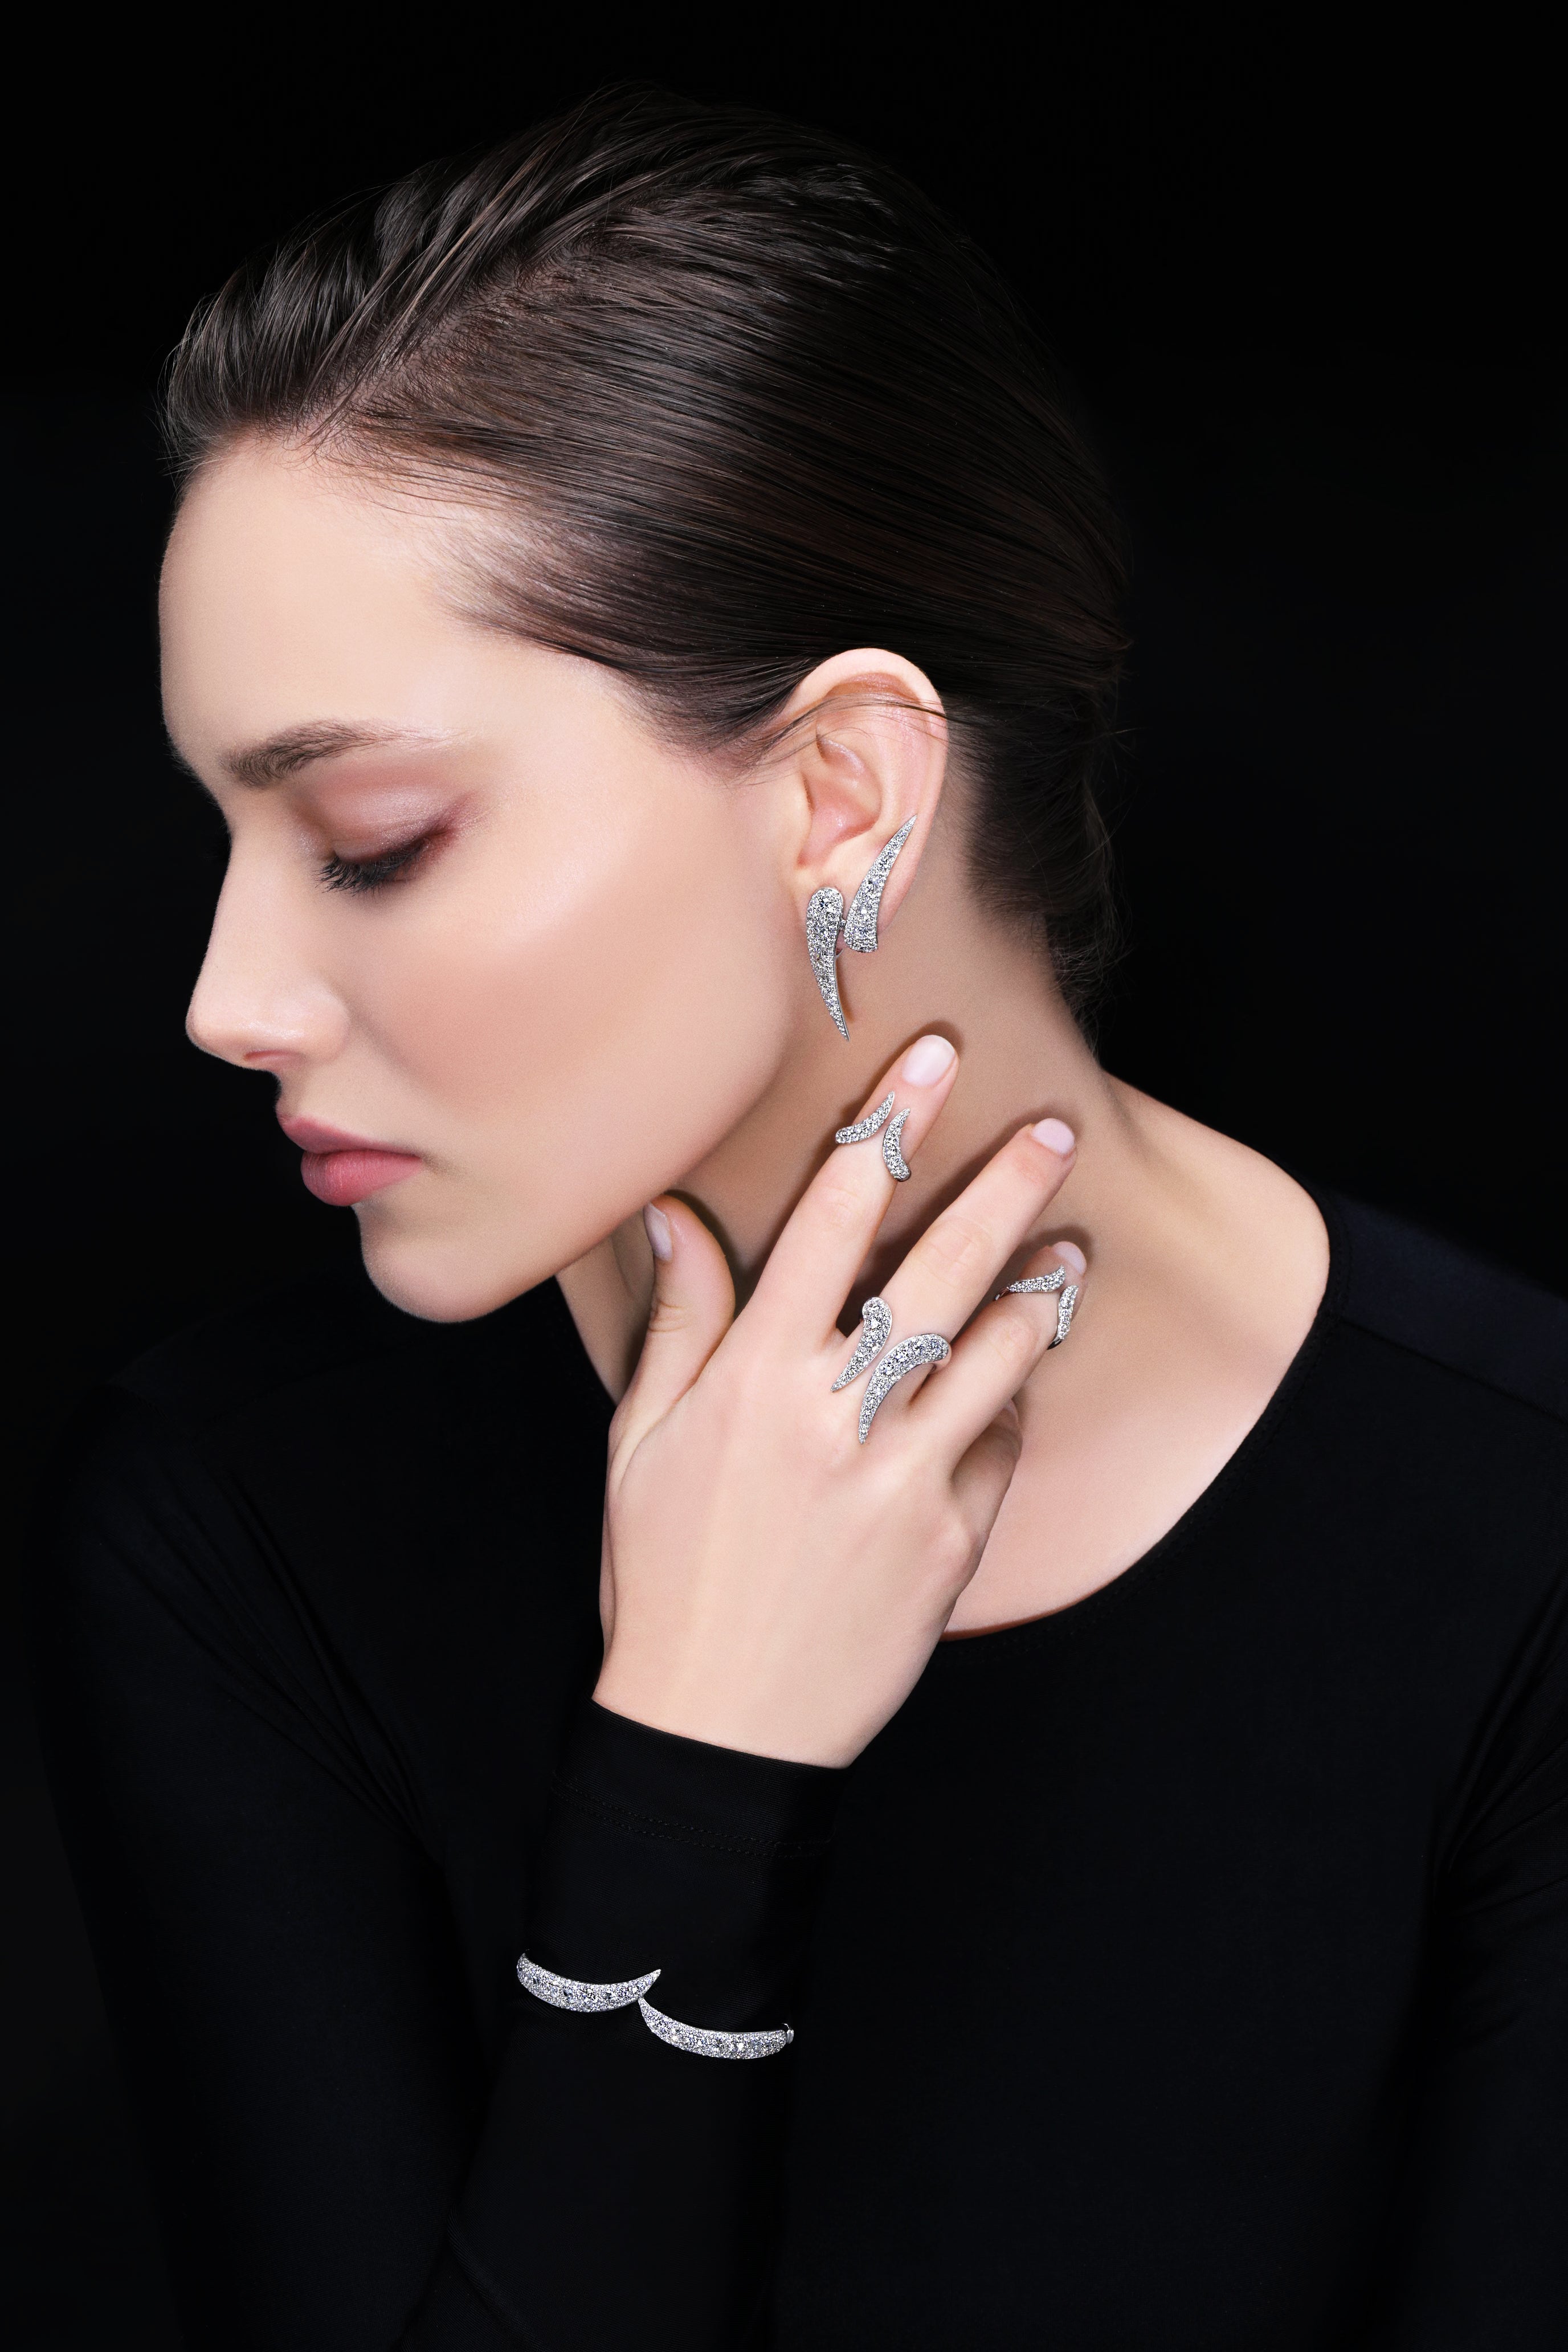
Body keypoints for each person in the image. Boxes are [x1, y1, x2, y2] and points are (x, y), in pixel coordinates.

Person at [28, 88, 1567, 2352]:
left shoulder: (1517, 1530)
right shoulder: (234, 1529)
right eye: (227, 841)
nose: (229, 1000)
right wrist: (692, 1771)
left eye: (368, 841)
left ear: (843, 790)